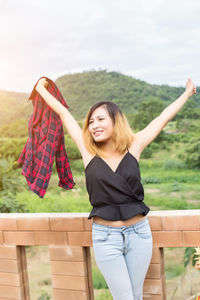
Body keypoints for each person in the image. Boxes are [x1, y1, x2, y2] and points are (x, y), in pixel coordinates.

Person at [35, 77, 196, 300]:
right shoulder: (87, 150)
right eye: (91, 122)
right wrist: (40, 89)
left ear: (115, 121)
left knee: (136, 296)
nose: (94, 125)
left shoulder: (135, 145)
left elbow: (163, 118)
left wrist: (187, 93)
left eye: (100, 119)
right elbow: (64, 113)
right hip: (105, 237)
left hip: (139, 233)